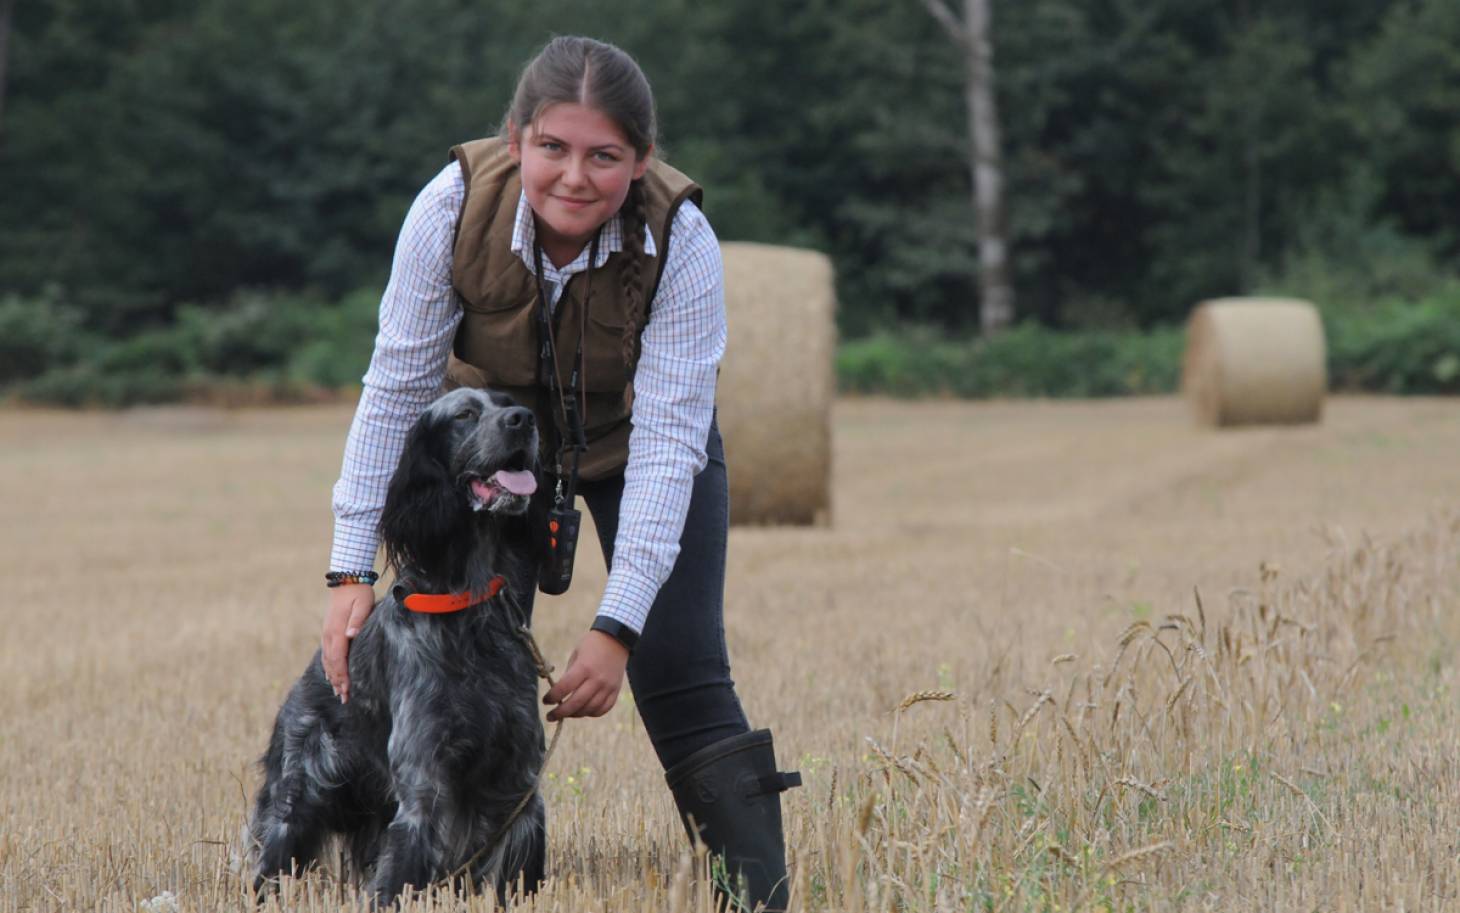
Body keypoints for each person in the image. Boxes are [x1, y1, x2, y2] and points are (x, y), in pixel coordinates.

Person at [318, 35, 799, 910]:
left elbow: (666, 447)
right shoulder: (449, 208)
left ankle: (760, 894)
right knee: (464, 662)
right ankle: (459, 871)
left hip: (635, 447)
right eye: (553, 149)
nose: (575, 176)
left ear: (642, 159)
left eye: (604, 156)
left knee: (683, 664)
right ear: (516, 140)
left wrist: (616, 629)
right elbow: (396, 390)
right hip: (488, 459)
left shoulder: (681, 239)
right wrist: (352, 566)